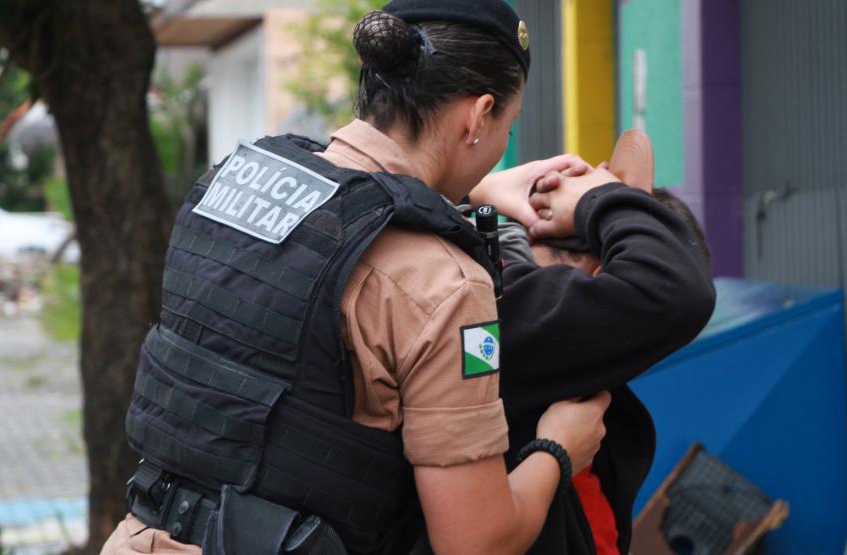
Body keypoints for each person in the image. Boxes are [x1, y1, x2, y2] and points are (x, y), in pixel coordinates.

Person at [101, 2, 612, 554]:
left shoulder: (230, 184)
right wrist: (558, 450)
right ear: (478, 115)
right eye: (506, 128)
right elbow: (475, 542)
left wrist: (471, 193)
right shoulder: (443, 282)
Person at [469, 135, 716, 554]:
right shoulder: (500, 324)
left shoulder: (486, 300)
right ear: (600, 276)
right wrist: (556, 454)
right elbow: (678, 287)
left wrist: (480, 187)